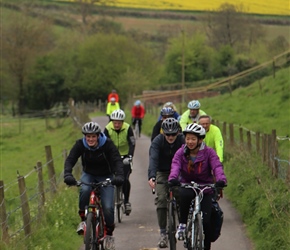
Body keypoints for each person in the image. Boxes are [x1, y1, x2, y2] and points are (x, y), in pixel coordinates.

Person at [63, 121, 124, 250]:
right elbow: (71, 159)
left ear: (98, 136)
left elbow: (116, 160)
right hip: (89, 174)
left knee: (107, 207)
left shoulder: (107, 144)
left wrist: (119, 175)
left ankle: (109, 234)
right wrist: (68, 174)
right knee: (84, 189)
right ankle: (83, 220)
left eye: (93, 136)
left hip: (106, 176)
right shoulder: (80, 145)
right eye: (88, 136)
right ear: (85, 136)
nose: (90, 139)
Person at [168, 123, 227, 250]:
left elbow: (217, 166)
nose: (190, 142)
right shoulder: (181, 152)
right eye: (188, 138)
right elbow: (176, 165)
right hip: (187, 185)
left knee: (206, 221)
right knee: (184, 194)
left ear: (200, 140)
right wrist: (173, 178)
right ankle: (183, 225)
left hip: (205, 188)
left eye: (193, 139)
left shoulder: (209, 152)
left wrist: (221, 180)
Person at [148, 118, 185, 248]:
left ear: (178, 133)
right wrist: (152, 176)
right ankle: (163, 233)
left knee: (182, 196)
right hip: (162, 172)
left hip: (179, 171)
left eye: (173, 134)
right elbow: (153, 159)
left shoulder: (182, 140)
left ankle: (183, 227)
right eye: (167, 134)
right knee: (161, 200)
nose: (170, 137)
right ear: (163, 133)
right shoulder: (157, 141)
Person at [103, 109, 135, 215]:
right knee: (109, 178)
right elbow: (103, 144)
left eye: (119, 123)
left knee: (125, 179)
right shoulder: (107, 128)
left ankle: (126, 202)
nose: (116, 125)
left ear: (122, 122)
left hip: (125, 156)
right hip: (112, 157)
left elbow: (132, 143)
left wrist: (130, 156)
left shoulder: (127, 128)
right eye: (115, 122)